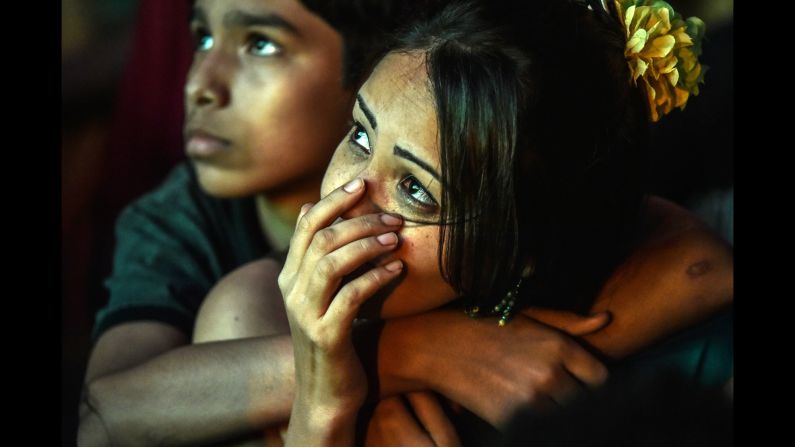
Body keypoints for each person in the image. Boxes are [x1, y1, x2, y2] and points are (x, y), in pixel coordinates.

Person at [79, 0, 732, 445]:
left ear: (521, 247)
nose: (348, 195)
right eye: (359, 136)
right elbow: (104, 414)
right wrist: (360, 375)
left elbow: (697, 262)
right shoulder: (247, 293)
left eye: (415, 189)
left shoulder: (659, 348)